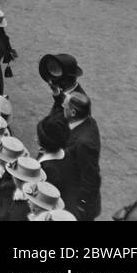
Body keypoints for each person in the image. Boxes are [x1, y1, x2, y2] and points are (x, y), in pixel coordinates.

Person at [59, 90, 102, 221]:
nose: (62, 107)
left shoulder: (84, 143)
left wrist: (81, 206)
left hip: (78, 203)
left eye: (65, 106)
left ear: (73, 113)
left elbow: (91, 177)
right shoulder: (87, 121)